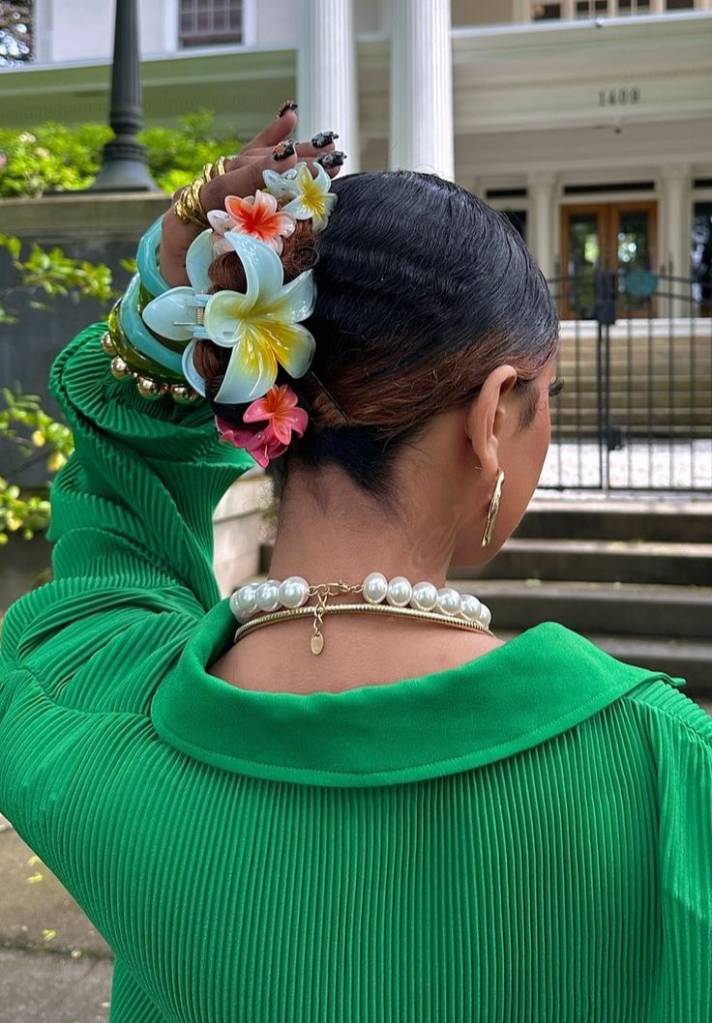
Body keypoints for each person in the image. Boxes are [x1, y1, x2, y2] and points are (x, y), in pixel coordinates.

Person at [0, 106, 710, 1022]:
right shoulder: (662, 780)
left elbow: (113, 515)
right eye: (550, 397)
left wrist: (164, 313)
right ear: (494, 414)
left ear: (267, 379)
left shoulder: (92, 714)